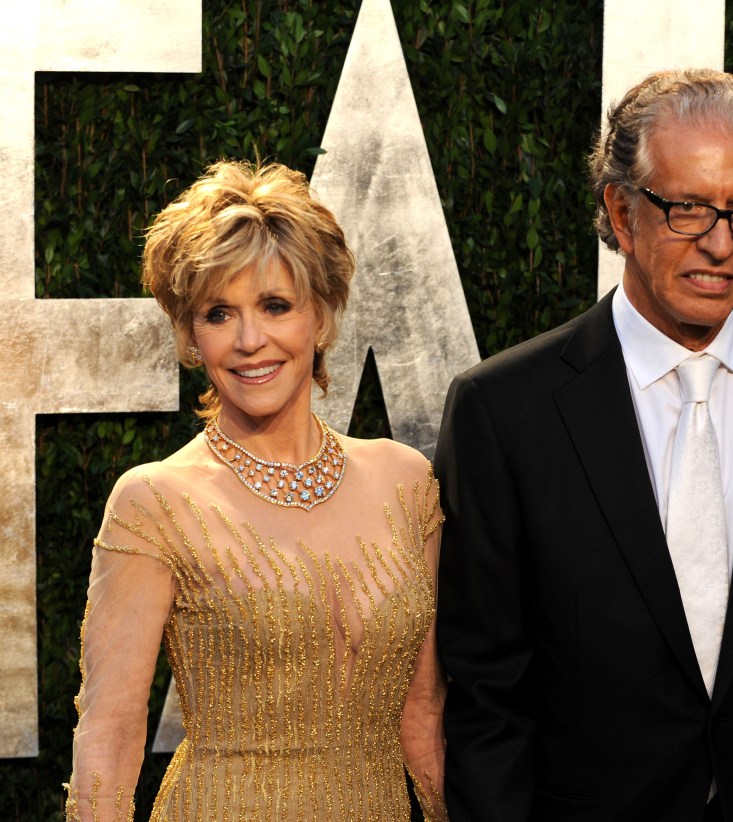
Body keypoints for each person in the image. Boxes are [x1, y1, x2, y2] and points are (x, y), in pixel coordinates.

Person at [435, 69, 733, 821]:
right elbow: (488, 696)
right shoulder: (502, 410)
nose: (721, 245)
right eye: (688, 210)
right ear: (621, 210)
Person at [65, 160, 447, 822]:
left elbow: (424, 713)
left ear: (322, 318)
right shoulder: (154, 501)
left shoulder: (405, 480)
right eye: (219, 313)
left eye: (275, 306)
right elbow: (111, 731)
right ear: (191, 335)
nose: (250, 341)